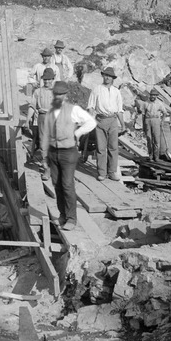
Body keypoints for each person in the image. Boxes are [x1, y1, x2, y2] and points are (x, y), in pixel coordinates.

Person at [39, 80, 96, 229]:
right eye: (56, 94)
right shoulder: (50, 111)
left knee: (67, 185)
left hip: (68, 153)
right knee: (56, 185)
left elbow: (91, 122)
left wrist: (77, 133)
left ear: (65, 95)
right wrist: (44, 156)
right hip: (53, 152)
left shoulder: (73, 109)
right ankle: (62, 215)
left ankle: (71, 219)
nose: (58, 97)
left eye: (61, 94)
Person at [87, 66, 125, 181]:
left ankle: (112, 172)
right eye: (106, 75)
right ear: (103, 76)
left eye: (110, 76)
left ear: (113, 78)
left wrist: (122, 125)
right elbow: (91, 107)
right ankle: (102, 172)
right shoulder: (97, 89)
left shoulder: (116, 91)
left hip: (113, 120)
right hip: (100, 120)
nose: (107, 78)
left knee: (113, 147)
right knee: (101, 147)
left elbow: (119, 110)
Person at [29, 68, 56, 160]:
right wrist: (27, 120)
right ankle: (46, 164)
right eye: (45, 79)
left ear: (53, 79)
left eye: (49, 79)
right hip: (42, 117)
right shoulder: (38, 91)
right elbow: (32, 106)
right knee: (43, 141)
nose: (47, 81)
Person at [139, 89, 171, 161]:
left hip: (156, 120)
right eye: (152, 95)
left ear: (156, 96)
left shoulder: (159, 103)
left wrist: (162, 121)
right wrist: (143, 125)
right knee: (149, 138)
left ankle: (156, 157)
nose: (153, 96)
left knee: (156, 139)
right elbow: (143, 115)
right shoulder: (146, 103)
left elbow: (165, 112)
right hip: (148, 119)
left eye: (155, 95)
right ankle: (150, 155)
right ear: (150, 95)